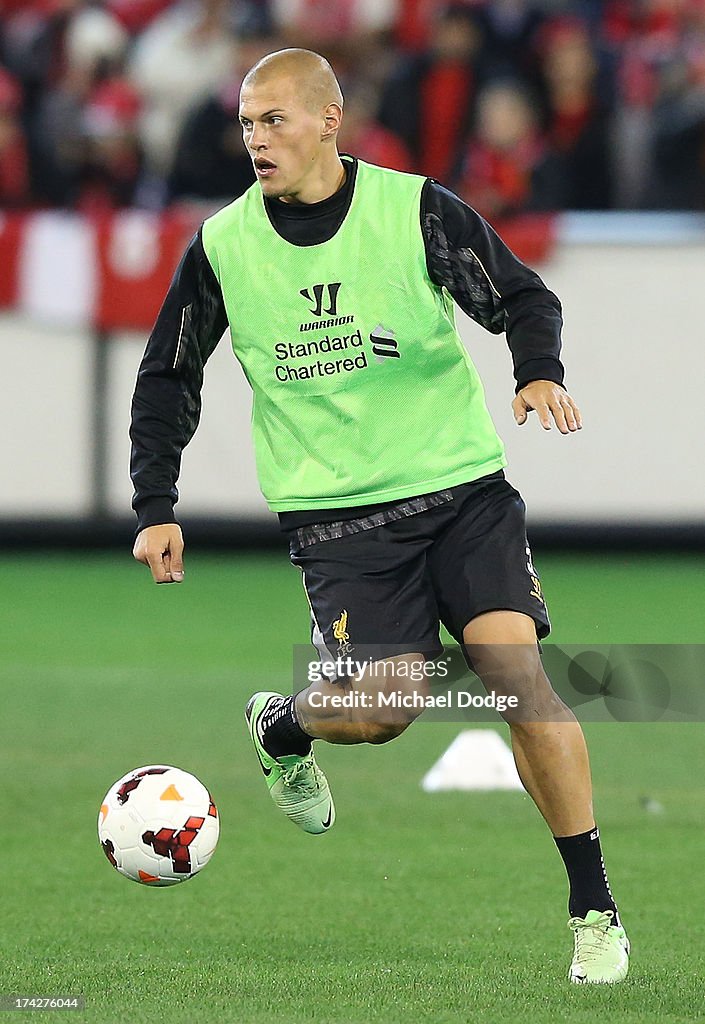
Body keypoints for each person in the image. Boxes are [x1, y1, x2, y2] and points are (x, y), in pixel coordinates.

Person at [130, 48, 629, 985]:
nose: (255, 140)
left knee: (516, 675)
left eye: (273, 120)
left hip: (462, 492)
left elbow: (522, 295)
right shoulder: (226, 245)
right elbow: (168, 377)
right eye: (245, 124)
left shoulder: (415, 209)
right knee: (382, 712)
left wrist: (536, 369)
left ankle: (593, 907)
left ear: (329, 119)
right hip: (340, 521)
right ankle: (285, 729)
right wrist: (155, 503)